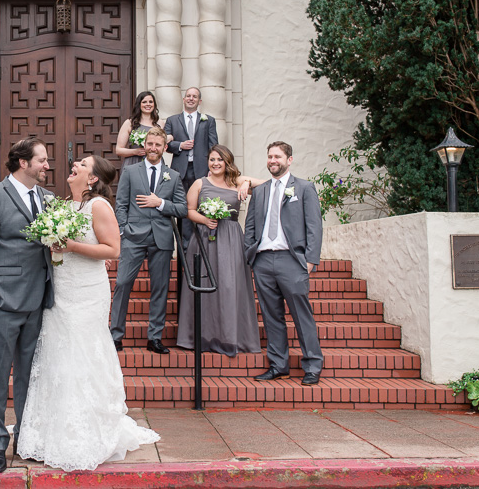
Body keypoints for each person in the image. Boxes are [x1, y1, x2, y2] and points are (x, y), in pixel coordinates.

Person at [18, 154, 160, 471]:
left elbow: (112, 250)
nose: (75, 165)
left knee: (82, 353)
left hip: (87, 292)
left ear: (93, 178)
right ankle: (52, 428)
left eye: (83, 164)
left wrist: (71, 245)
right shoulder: (63, 206)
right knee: (58, 353)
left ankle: (87, 429)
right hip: (62, 288)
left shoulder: (99, 206)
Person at [0, 137, 54, 474]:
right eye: (42, 160)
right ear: (23, 162)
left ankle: (25, 438)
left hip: (38, 299)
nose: (47, 166)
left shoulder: (47, 199)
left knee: (28, 377)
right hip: (2, 300)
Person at [244, 141, 324, 385]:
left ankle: (312, 365)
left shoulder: (304, 188)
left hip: (292, 260)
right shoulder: (260, 191)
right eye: (269, 156)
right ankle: (279, 365)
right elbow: (250, 227)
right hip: (264, 260)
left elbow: (314, 226)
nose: (272, 160)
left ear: (289, 160)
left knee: (302, 315)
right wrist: (251, 255)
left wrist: (310, 260)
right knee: (271, 316)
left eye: (277, 156)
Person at [176, 145, 261, 355]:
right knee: (204, 284)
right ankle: (202, 337)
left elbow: (268, 185)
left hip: (231, 239)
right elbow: (188, 211)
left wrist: (247, 182)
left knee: (230, 285)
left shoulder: (236, 182)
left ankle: (231, 337)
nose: (215, 163)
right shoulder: (199, 183)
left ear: (227, 162)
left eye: (220, 160)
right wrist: (205, 219)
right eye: (212, 159)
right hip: (205, 239)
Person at [110, 127, 187, 354]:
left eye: (157, 145)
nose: (153, 148)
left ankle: (154, 337)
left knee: (160, 288)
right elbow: (121, 204)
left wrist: (160, 203)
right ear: (145, 146)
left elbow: (182, 208)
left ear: (164, 148)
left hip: (161, 239)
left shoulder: (173, 176)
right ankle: (116, 335)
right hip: (133, 236)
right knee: (123, 284)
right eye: (150, 144)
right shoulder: (131, 172)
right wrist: (123, 231)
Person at [163, 87, 219, 245]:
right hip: (180, 171)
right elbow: (165, 144)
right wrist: (180, 145)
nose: (191, 99)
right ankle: (185, 245)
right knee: (183, 207)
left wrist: (212, 169)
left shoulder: (208, 120)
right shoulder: (172, 120)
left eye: (194, 97)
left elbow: (213, 146)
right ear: (183, 99)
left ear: (199, 101)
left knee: (202, 206)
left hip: (201, 171)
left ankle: (203, 243)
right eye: (188, 96)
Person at [115, 91, 160, 169]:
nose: (148, 104)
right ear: (139, 105)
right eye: (144, 102)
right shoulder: (129, 123)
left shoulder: (160, 123)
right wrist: (135, 152)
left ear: (154, 105)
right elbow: (118, 150)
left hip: (154, 162)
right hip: (134, 161)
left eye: (151, 102)